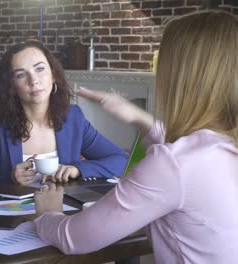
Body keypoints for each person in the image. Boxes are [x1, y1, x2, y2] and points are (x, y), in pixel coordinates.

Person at [34, 10, 238, 263]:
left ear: (178, 77)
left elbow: (73, 238)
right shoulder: (222, 147)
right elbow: (191, 153)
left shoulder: (173, 165)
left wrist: (47, 214)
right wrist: (139, 118)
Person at [0, 39, 127, 187]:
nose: (34, 80)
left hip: (63, 214)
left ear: (53, 75)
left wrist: (77, 169)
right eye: (21, 75)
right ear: (12, 86)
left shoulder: (73, 118)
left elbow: (122, 160)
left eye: (40, 69)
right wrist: (10, 178)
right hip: (13, 216)